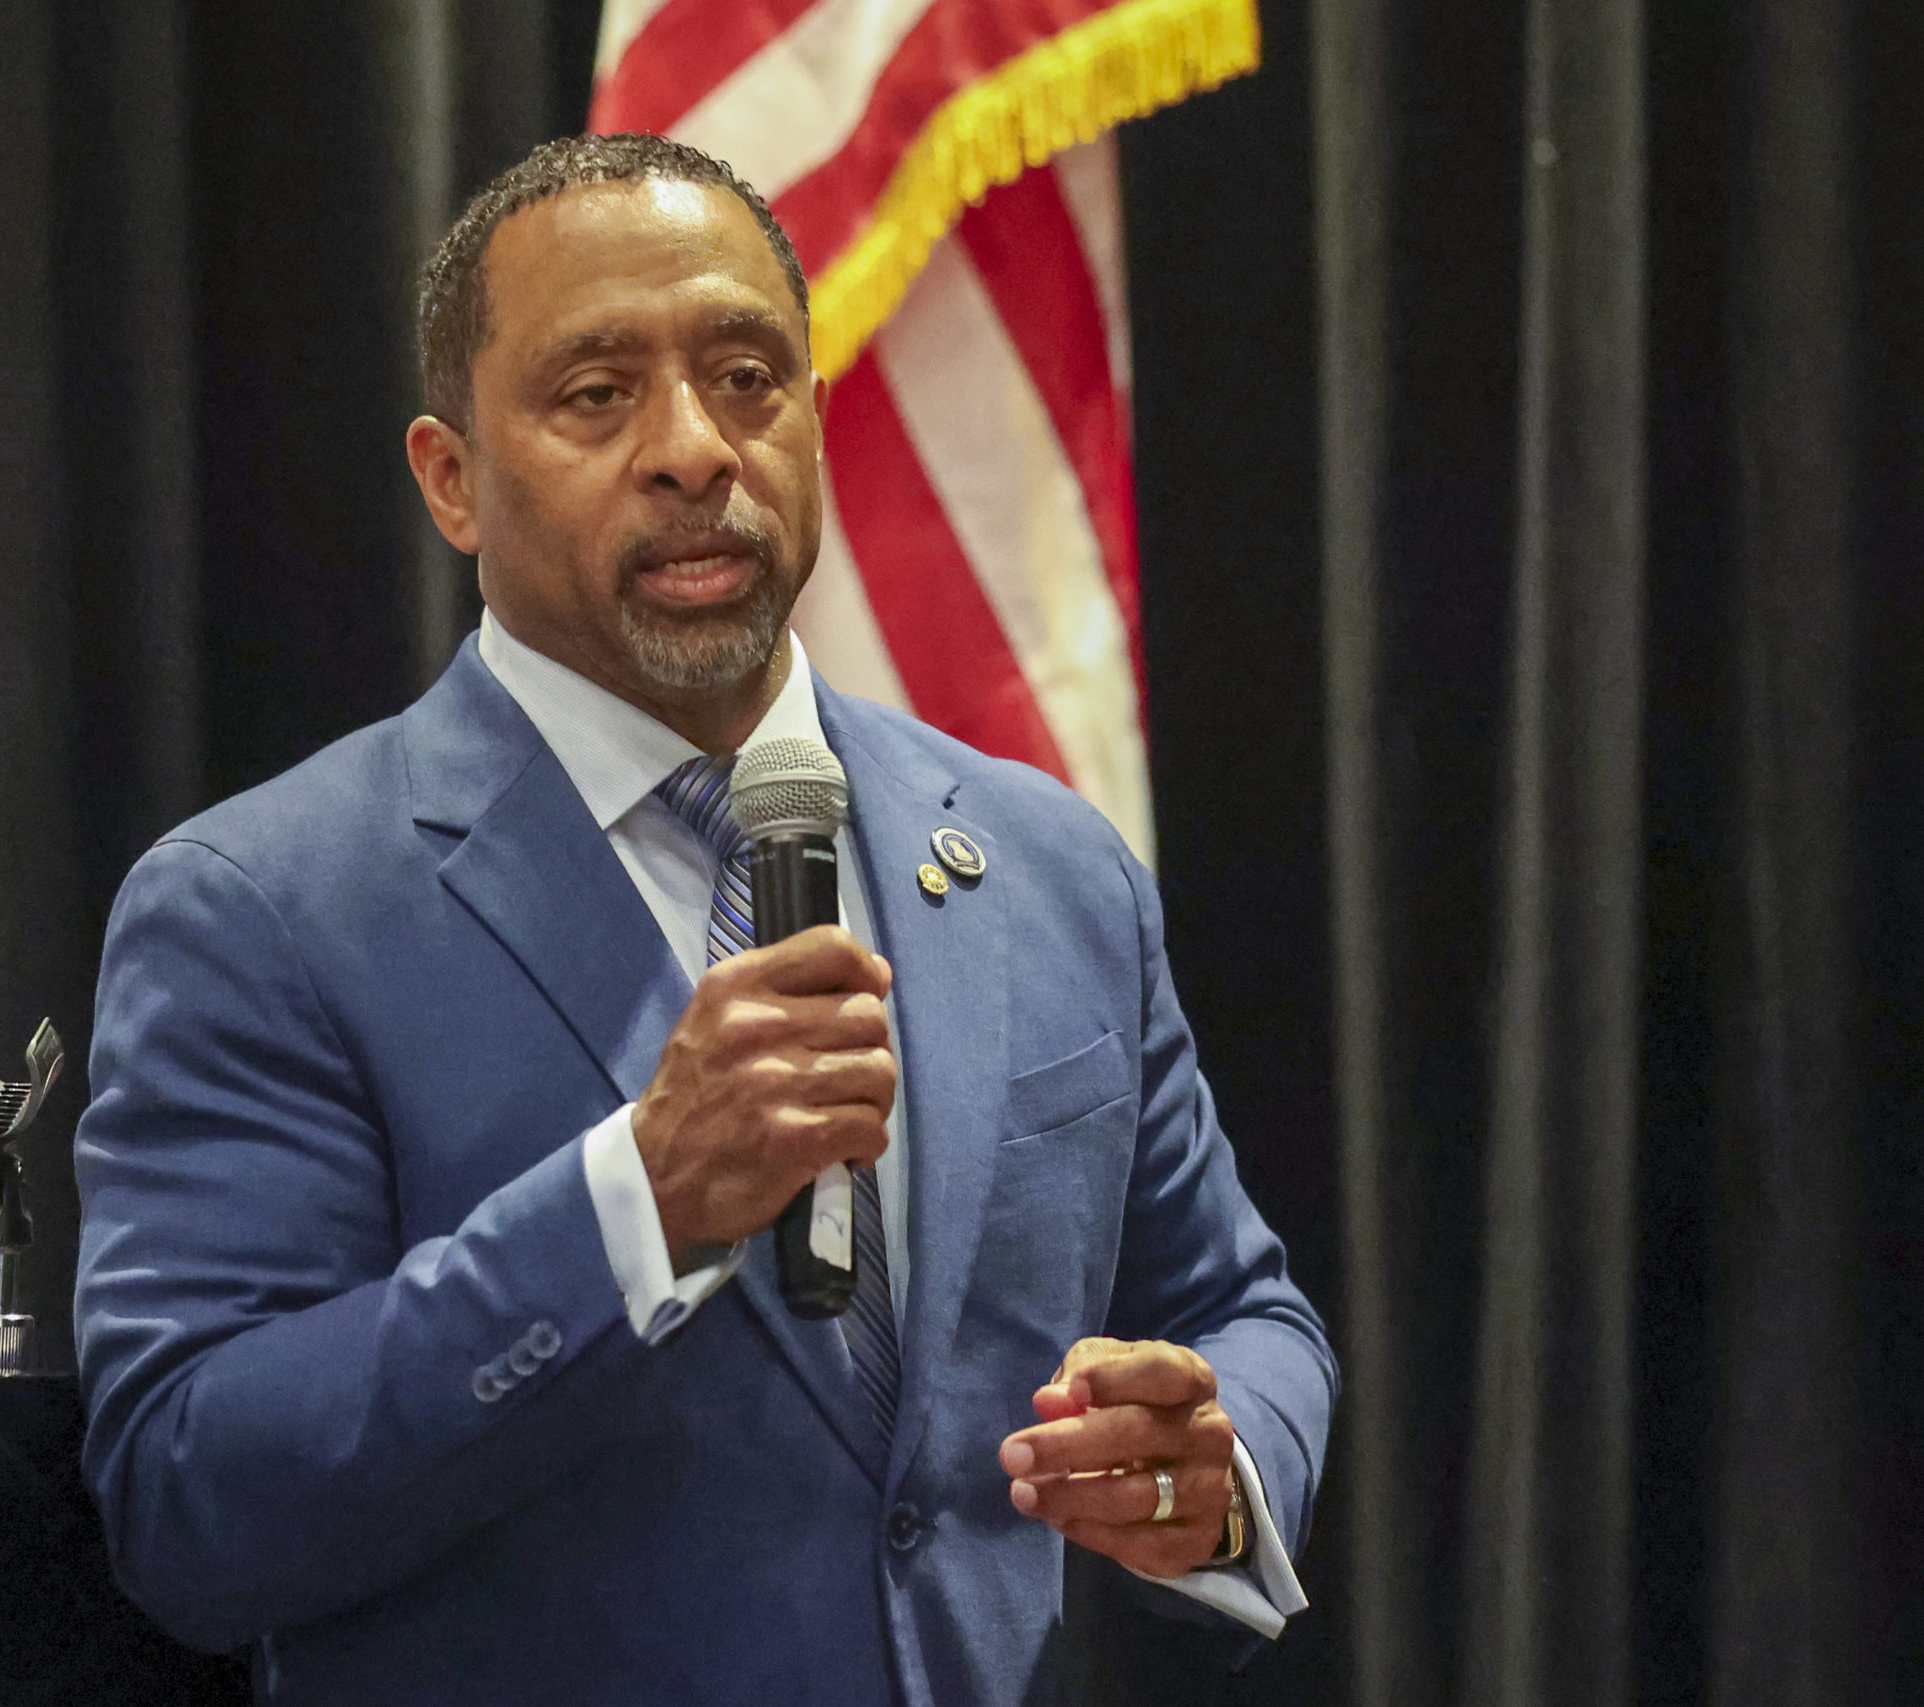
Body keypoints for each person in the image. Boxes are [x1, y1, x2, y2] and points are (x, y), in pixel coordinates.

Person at [73, 133, 1336, 1706]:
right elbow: (188, 1498)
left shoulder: (1046, 863)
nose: (692, 450)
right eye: (597, 395)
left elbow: (1239, 1310)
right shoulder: (261, 910)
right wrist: (636, 1211)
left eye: (748, 379)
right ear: (451, 480)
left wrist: (1216, 1469)